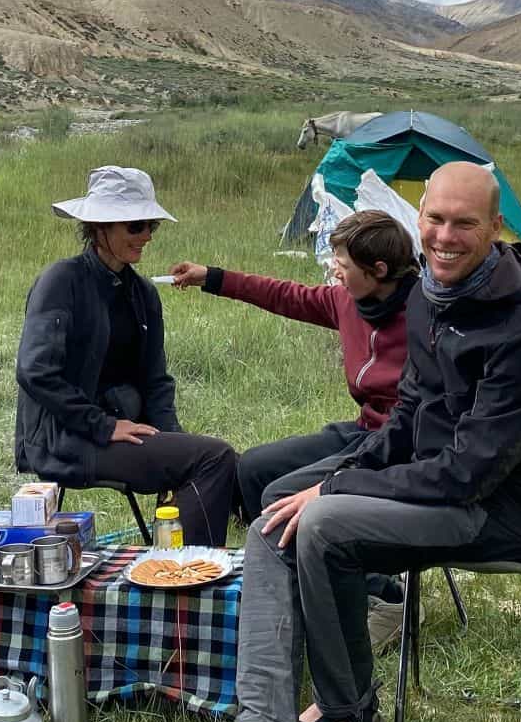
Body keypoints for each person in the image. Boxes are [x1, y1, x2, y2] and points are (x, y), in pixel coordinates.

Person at [153, 163, 521, 722]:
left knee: (319, 522)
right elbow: (407, 419)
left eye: (464, 223)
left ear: (496, 227)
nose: (444, 236)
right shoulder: (435, 295)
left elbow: (469, 474)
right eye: (434, 219)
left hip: (499, 511)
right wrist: (332, 478)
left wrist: (338, 488)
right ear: (419, 220)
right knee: (278, 513)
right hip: (441, 487)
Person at [166, 209, 418, 646]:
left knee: (282, 500)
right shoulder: (348, 300)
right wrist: (212, 277)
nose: (333, 271)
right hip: (363, 430)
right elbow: (286, 295)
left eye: (343, 264)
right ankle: (296, 587)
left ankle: (384, 595)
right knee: (253, 470)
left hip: (405, 445)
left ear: (378, 271)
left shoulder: (426, 314)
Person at [15, 165, 239, 547]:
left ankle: (181, 569)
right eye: (136, 226)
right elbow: (35, 371)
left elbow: (156, 382)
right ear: (100, 227)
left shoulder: (142, 294)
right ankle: (186, 580)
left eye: (152, 225)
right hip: (66, 438)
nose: (148, 236)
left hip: (121, 429)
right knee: (215, 458)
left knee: (217, 459)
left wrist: (173, 442)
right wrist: (103, 425)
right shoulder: (62, 281)